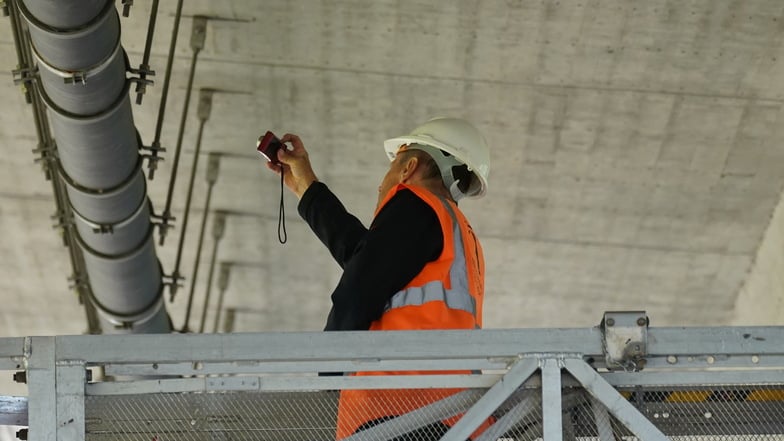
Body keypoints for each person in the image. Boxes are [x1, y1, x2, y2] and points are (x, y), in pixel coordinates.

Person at [266, 117, 491, 440]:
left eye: (390, 169)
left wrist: (330, 374)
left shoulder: (415, 204)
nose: (381, 185)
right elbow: (367, 259)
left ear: (408, 167)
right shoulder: (458, 235)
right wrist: (306, 187)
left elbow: (358, 289)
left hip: (399, 411)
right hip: (453, 417)